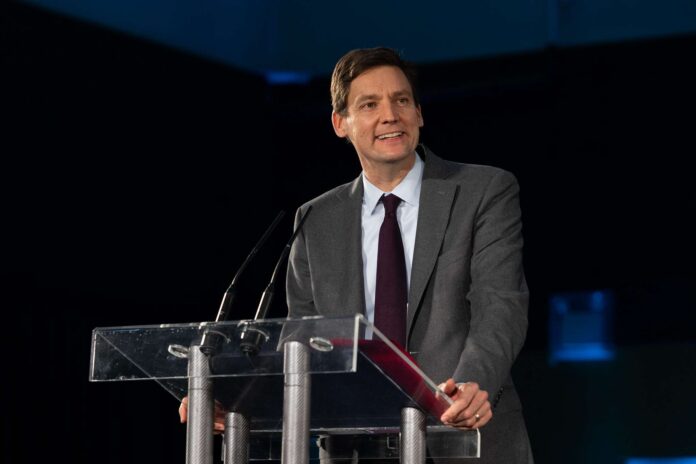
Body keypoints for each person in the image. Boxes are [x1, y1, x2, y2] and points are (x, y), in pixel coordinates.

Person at [284, 47, 533, 463]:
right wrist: (239, 398)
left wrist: (471, 385)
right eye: (369, 104)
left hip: (465, 434)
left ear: (418, 113)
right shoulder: (315, 219)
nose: (390, 115)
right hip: (355, 446)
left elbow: (500, 306)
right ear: (340, 124)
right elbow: (303, 337)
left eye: (401, 100)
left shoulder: (484, 191)